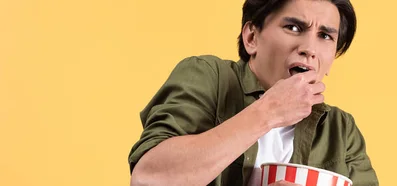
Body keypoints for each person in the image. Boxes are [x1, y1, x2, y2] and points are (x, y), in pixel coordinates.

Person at [128, 0, 378, 185]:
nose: (309, 48)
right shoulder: (209, 76)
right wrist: (269, 112)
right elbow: (149, 177)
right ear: (251, 37)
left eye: (325, 36)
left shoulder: (341, 130)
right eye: (293, 28)